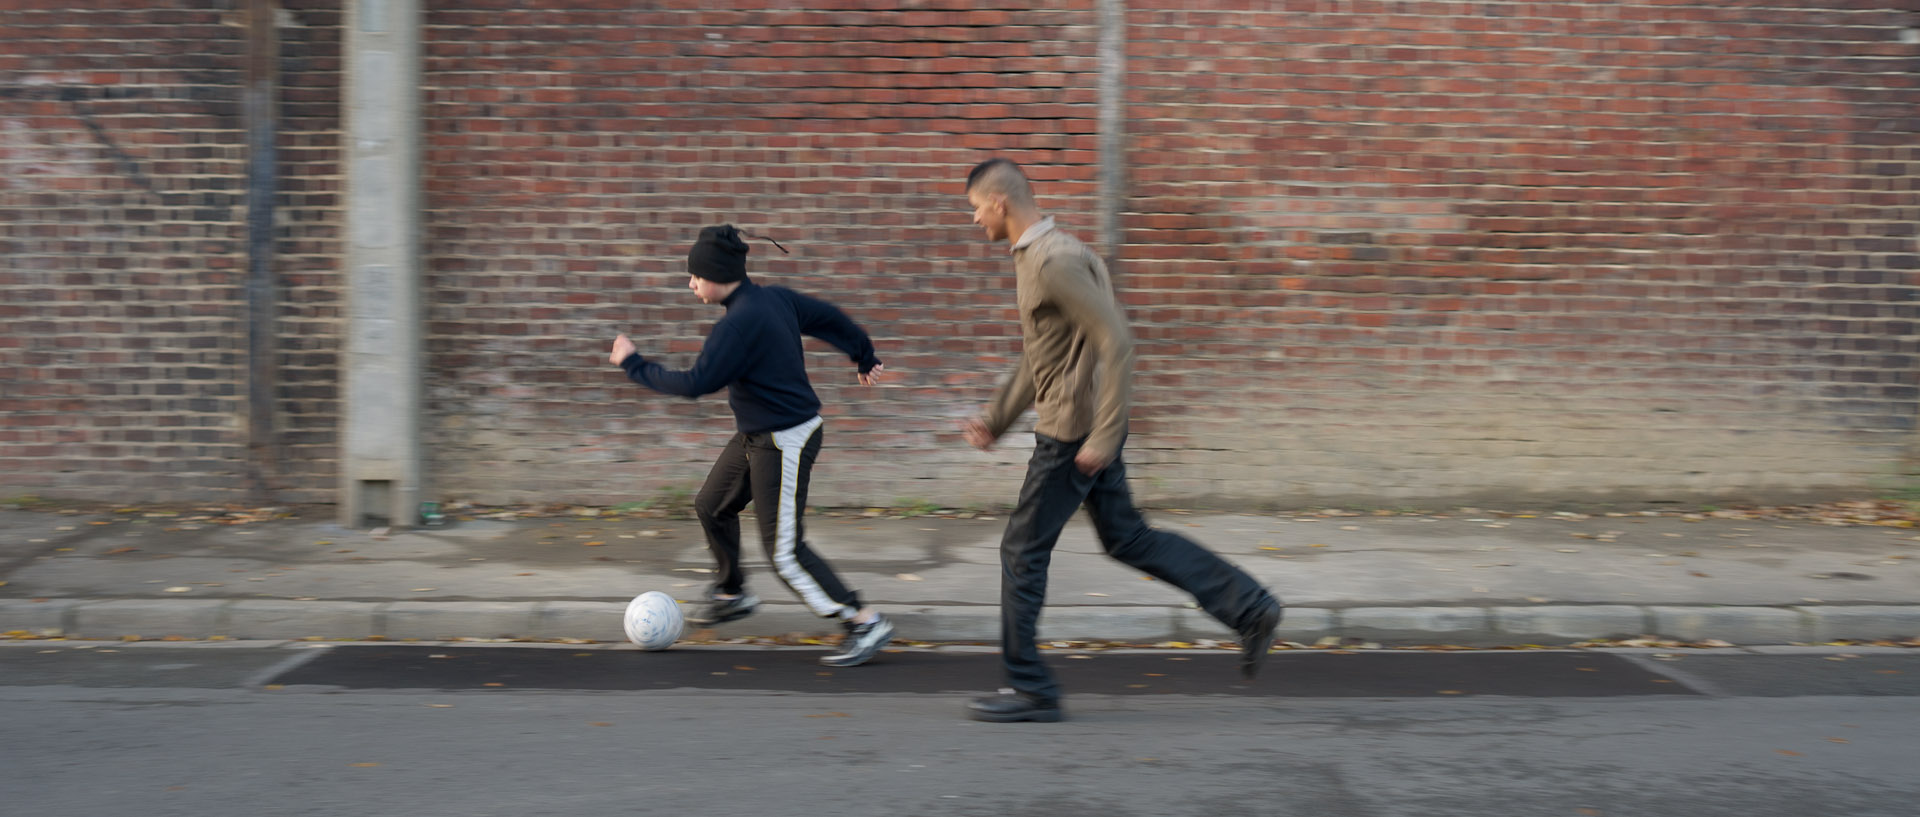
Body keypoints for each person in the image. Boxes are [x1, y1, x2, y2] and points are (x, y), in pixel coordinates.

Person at [957, 158, 1284, 722]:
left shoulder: (1052, 262)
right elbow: (1047, 354)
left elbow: (1118, 340)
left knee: (1021, 550)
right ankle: (1250, 608)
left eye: (976, 208)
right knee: (1128, 538)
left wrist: (1104, 435)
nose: (976, 220)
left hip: (1070, 437)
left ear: (1000, 202)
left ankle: (1031, 689)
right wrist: (997, 416)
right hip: (1083, 430)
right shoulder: (1060, 251)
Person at [607, 224, 894, 668]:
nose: (691, 283)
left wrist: (634, 365)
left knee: (784, 551)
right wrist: (864, 355)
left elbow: (694, 384)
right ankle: (731, 592)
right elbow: (829, 317)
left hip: (786, 439)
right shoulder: (773, 298)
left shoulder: (737, 326)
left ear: (717, 274)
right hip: (759, 434)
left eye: (695, 276)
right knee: (711, 504)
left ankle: (862, 620)